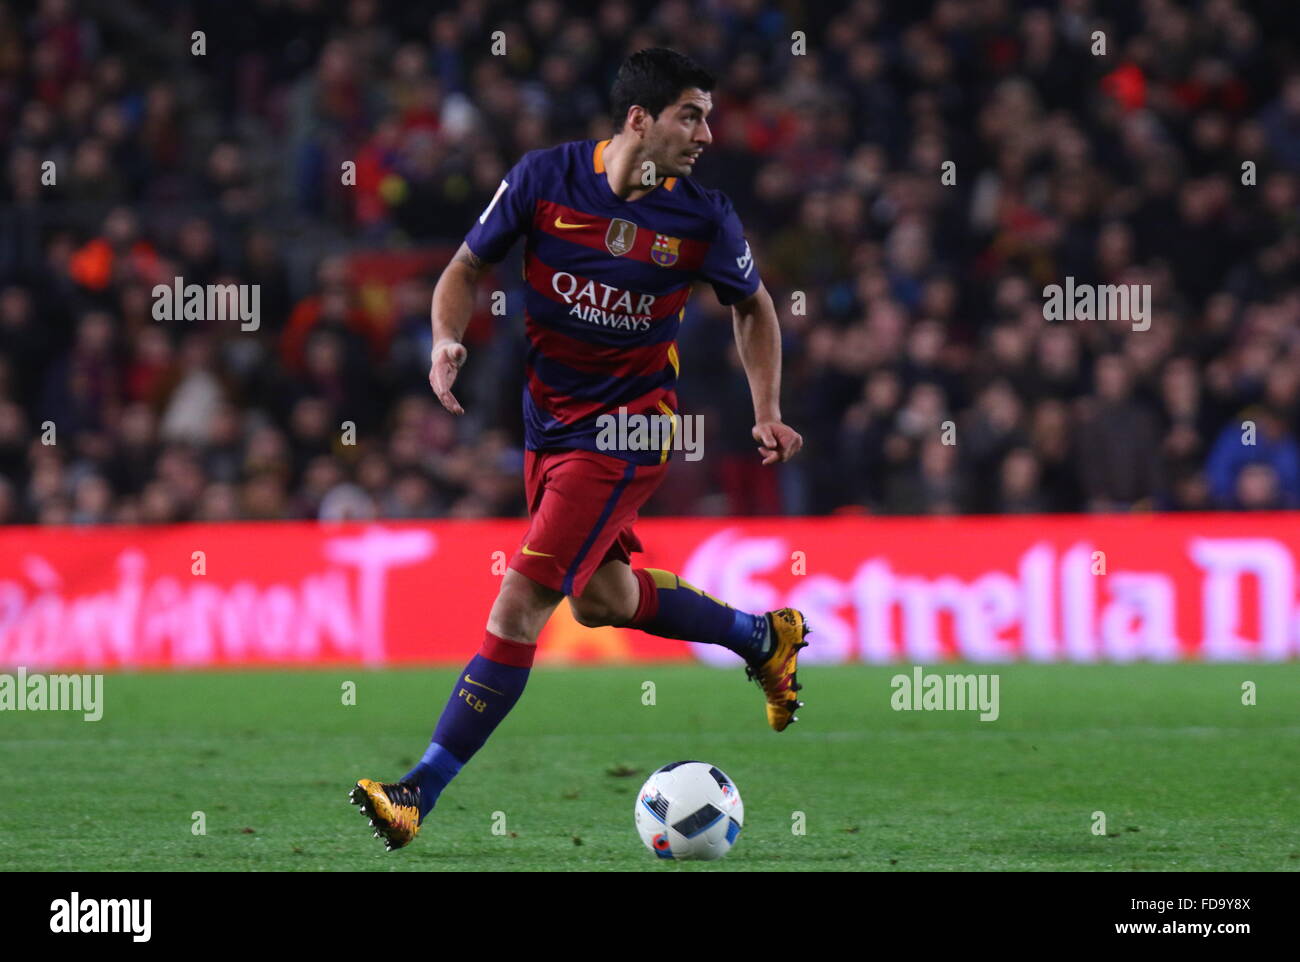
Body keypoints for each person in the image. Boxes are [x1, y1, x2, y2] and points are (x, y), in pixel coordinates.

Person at [350, 48, 809, 851]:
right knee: (601, 599)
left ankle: (417, 791)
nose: (706, 133)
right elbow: (463, 268)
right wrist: (445, 339)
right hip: (548, 422)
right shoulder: (544, 180)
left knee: (519, 603)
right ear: (640, 119)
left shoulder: (701, 216)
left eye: (708, 116)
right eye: (690, 116)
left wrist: (765, 408)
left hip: (629, 429)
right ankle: (762, 638)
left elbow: (754, 308)